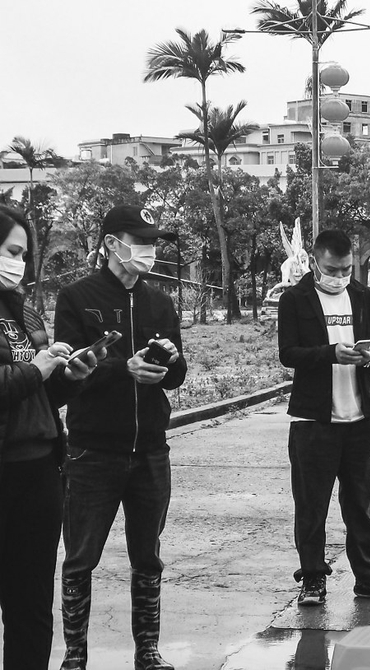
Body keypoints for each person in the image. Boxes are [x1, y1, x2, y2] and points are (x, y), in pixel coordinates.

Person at [54, 205, 187, 670]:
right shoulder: (76, 296)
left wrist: (170, 362)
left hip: (150, 449)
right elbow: (70, 370)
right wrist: (120, 368)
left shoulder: (160, 301)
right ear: (112, 244)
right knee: (80, 558)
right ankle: (75, 656)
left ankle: (148, 651)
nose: (149, 250)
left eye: (153, 243)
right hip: (92, 450)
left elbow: (177, 376)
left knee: (148, 556)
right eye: (140, 241)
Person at [277, 229, 370, 607]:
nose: (340, 276)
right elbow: (288, 353)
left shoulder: (363, 297)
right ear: (315, 262)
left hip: (360, 418)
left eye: (347, 269)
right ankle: (312, 578)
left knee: (362, 504)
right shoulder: (294, 299)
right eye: (332, 270)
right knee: (311, 506)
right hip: (313, 420)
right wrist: (331, 353)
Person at [0, 206, 97, 670]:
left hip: (38, 470)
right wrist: (34, 369)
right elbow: (22, 378)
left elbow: (39, 394)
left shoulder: (24, 310)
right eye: (11, 251)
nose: (18, 263)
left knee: (32, 606)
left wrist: (67, 377)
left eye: (23, 254)